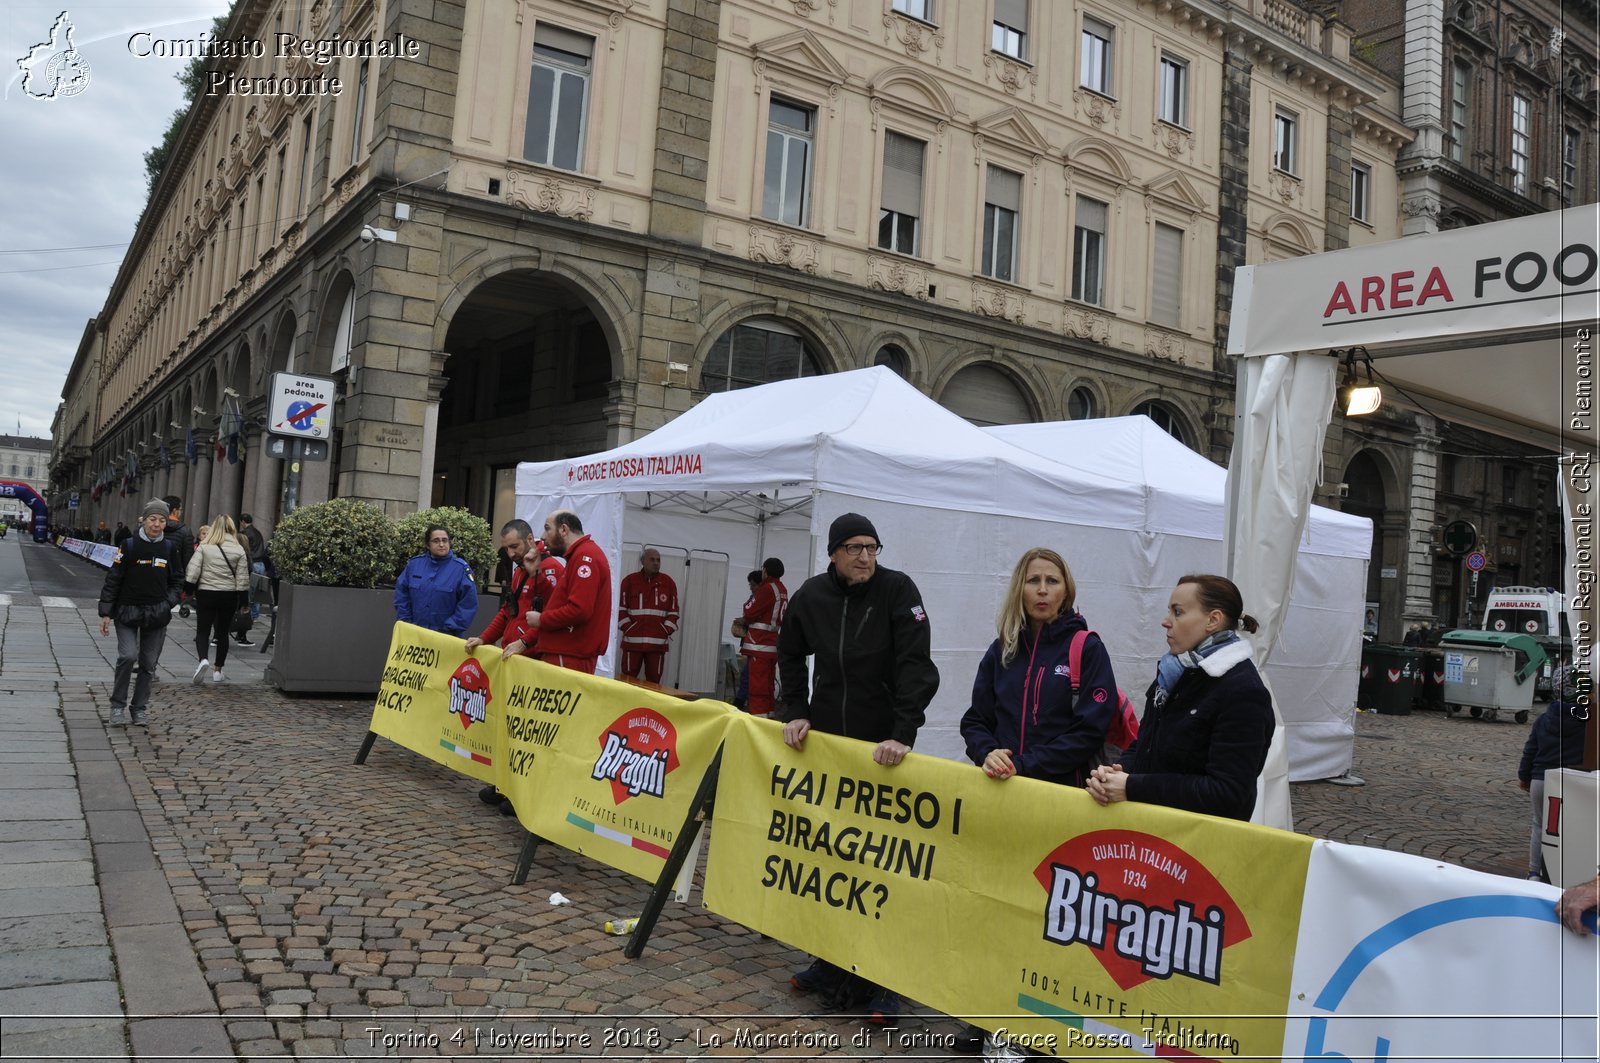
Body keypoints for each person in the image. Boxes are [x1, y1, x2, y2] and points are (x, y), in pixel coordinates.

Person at [777, 513, 939, 1025]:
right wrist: (796, 711)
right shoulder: (810, 596)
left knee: (880, 871)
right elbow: (788, 653)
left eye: (871, 546)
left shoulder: (897, 590)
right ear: (832, 553)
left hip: (883, 753)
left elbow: (917, 666)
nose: (865, 556)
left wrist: (902, 732)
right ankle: (831, 961)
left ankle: (886, 980)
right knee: (831, 862)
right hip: (830, 752)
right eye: (853, 548)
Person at [1087, 574, 1274, 821]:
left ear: (1213, 620)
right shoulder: (1173, 673)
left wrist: (1132, 786)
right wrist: (1119, 772)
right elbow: (1145, 743)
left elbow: (1227, 794)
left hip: (1199, 848)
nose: (1166, 622)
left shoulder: (1243, 691)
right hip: (1155, 836)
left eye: (1178, 612)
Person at [961, 548, 1117, 786]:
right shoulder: (1002, 649)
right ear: (1019, 590)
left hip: (1062, 796)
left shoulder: (1088, 649)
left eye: (1052, 581)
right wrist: (988, 753)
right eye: (1033, 580)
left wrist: (1023, 765)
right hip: (1001, 788)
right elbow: (976, 720)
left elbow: (1089, 732)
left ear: (1066, 592)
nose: (1042, 589)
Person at [468, 519, 536, 817]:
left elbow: (548, 620)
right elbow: (507, 613)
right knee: (506, 727)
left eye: (515, 547)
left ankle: (519, 792)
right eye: (507, 548)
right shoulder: (519, 572)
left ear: (530, 540)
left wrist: (524, 643)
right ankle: (503, 784)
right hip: (511, 659)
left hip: (529, 662)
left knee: (525, 732)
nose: (510, 554)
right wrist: (483, 638)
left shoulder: (548, 572)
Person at [97, 500, 184, 726]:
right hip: (127, 611)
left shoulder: (169, 548)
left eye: (162, 520)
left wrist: (169, 602)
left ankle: (139, 708)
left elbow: (177, 580)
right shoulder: (129, 545)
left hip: (157, 613)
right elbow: (113, 579)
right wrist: (106, 612)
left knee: (148, 663)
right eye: (152, 519)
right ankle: (117, 706)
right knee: (128, 656)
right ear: (144, 520)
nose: (157, 524)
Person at [1518, 665, 1587, 881]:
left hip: (1541, 777)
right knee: (1569, 826)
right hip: (1571, 781)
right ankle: (1564, 870)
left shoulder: (1544, 719)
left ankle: (1534, 872)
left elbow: (1530, 749)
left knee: (1539, 824)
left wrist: (1524, 776)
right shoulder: (1588, 721)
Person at [525, 510, 612, 673]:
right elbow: (559, 603)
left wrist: (542, 620)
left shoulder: (585, 556)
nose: (542, 536)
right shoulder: (579, 556)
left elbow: (580, 610)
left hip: (568, 655)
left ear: (564, 530)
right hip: (565, 653)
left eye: (547, 528)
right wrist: (536, 575)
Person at [185, 514, 251, 684]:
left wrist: (188, 591)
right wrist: (244, 602)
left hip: (206, 593)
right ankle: (218, 670)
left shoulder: (205, 546)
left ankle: (203, 660)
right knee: (222, 632)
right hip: (228, 595)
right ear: (232, 528)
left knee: (203, 630)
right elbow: (242, 579)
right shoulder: (238, 549)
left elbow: (192, 572)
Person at [393, 524, 478, 635]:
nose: (441, 544)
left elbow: (468, 604)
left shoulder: (461, 569)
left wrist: (450, 628)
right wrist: (406, 622)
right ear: (428, 545)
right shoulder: (414, 565)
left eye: (445, 540)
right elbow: (401, 595)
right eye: (436, 541)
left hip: (446, 637)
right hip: (415, 634)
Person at [617, 547, 680, 684]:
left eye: (658, 560)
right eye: (652, 559)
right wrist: (629, 629)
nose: (656, 563)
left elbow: (674, 612)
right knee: (627, 682)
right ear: (642, 561)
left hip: (657, 646)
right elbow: (620, 609)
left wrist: (664, 631)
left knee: (654, 684)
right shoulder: (629, 581)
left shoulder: (668, 583)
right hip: (632, 644)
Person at [740, 557, 789, 715]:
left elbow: (749, 611)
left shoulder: (767, 588)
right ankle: (769, 718)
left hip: (759, 645)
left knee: (757, 689)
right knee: (768, 688)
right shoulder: (782, 588)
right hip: (771, 645)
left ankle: (757, 723)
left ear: (766, 571)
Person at [731, 569, 762, 710]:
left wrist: (743, 621)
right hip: (750, 643)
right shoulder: (753, 598)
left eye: (753, 584)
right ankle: (744, 701)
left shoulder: (761, 599)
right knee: (747, 675)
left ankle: (740, 701)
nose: (751, 587)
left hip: (758, 644)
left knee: (747, 675)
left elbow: (752, 617)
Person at [163, 496, 197, 618]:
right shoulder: (185, 531)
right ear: (174, 510)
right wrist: (188, 586)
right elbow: (188, 560)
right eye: (181, 509)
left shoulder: (153, 528)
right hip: (174, 579)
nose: (181, 512)